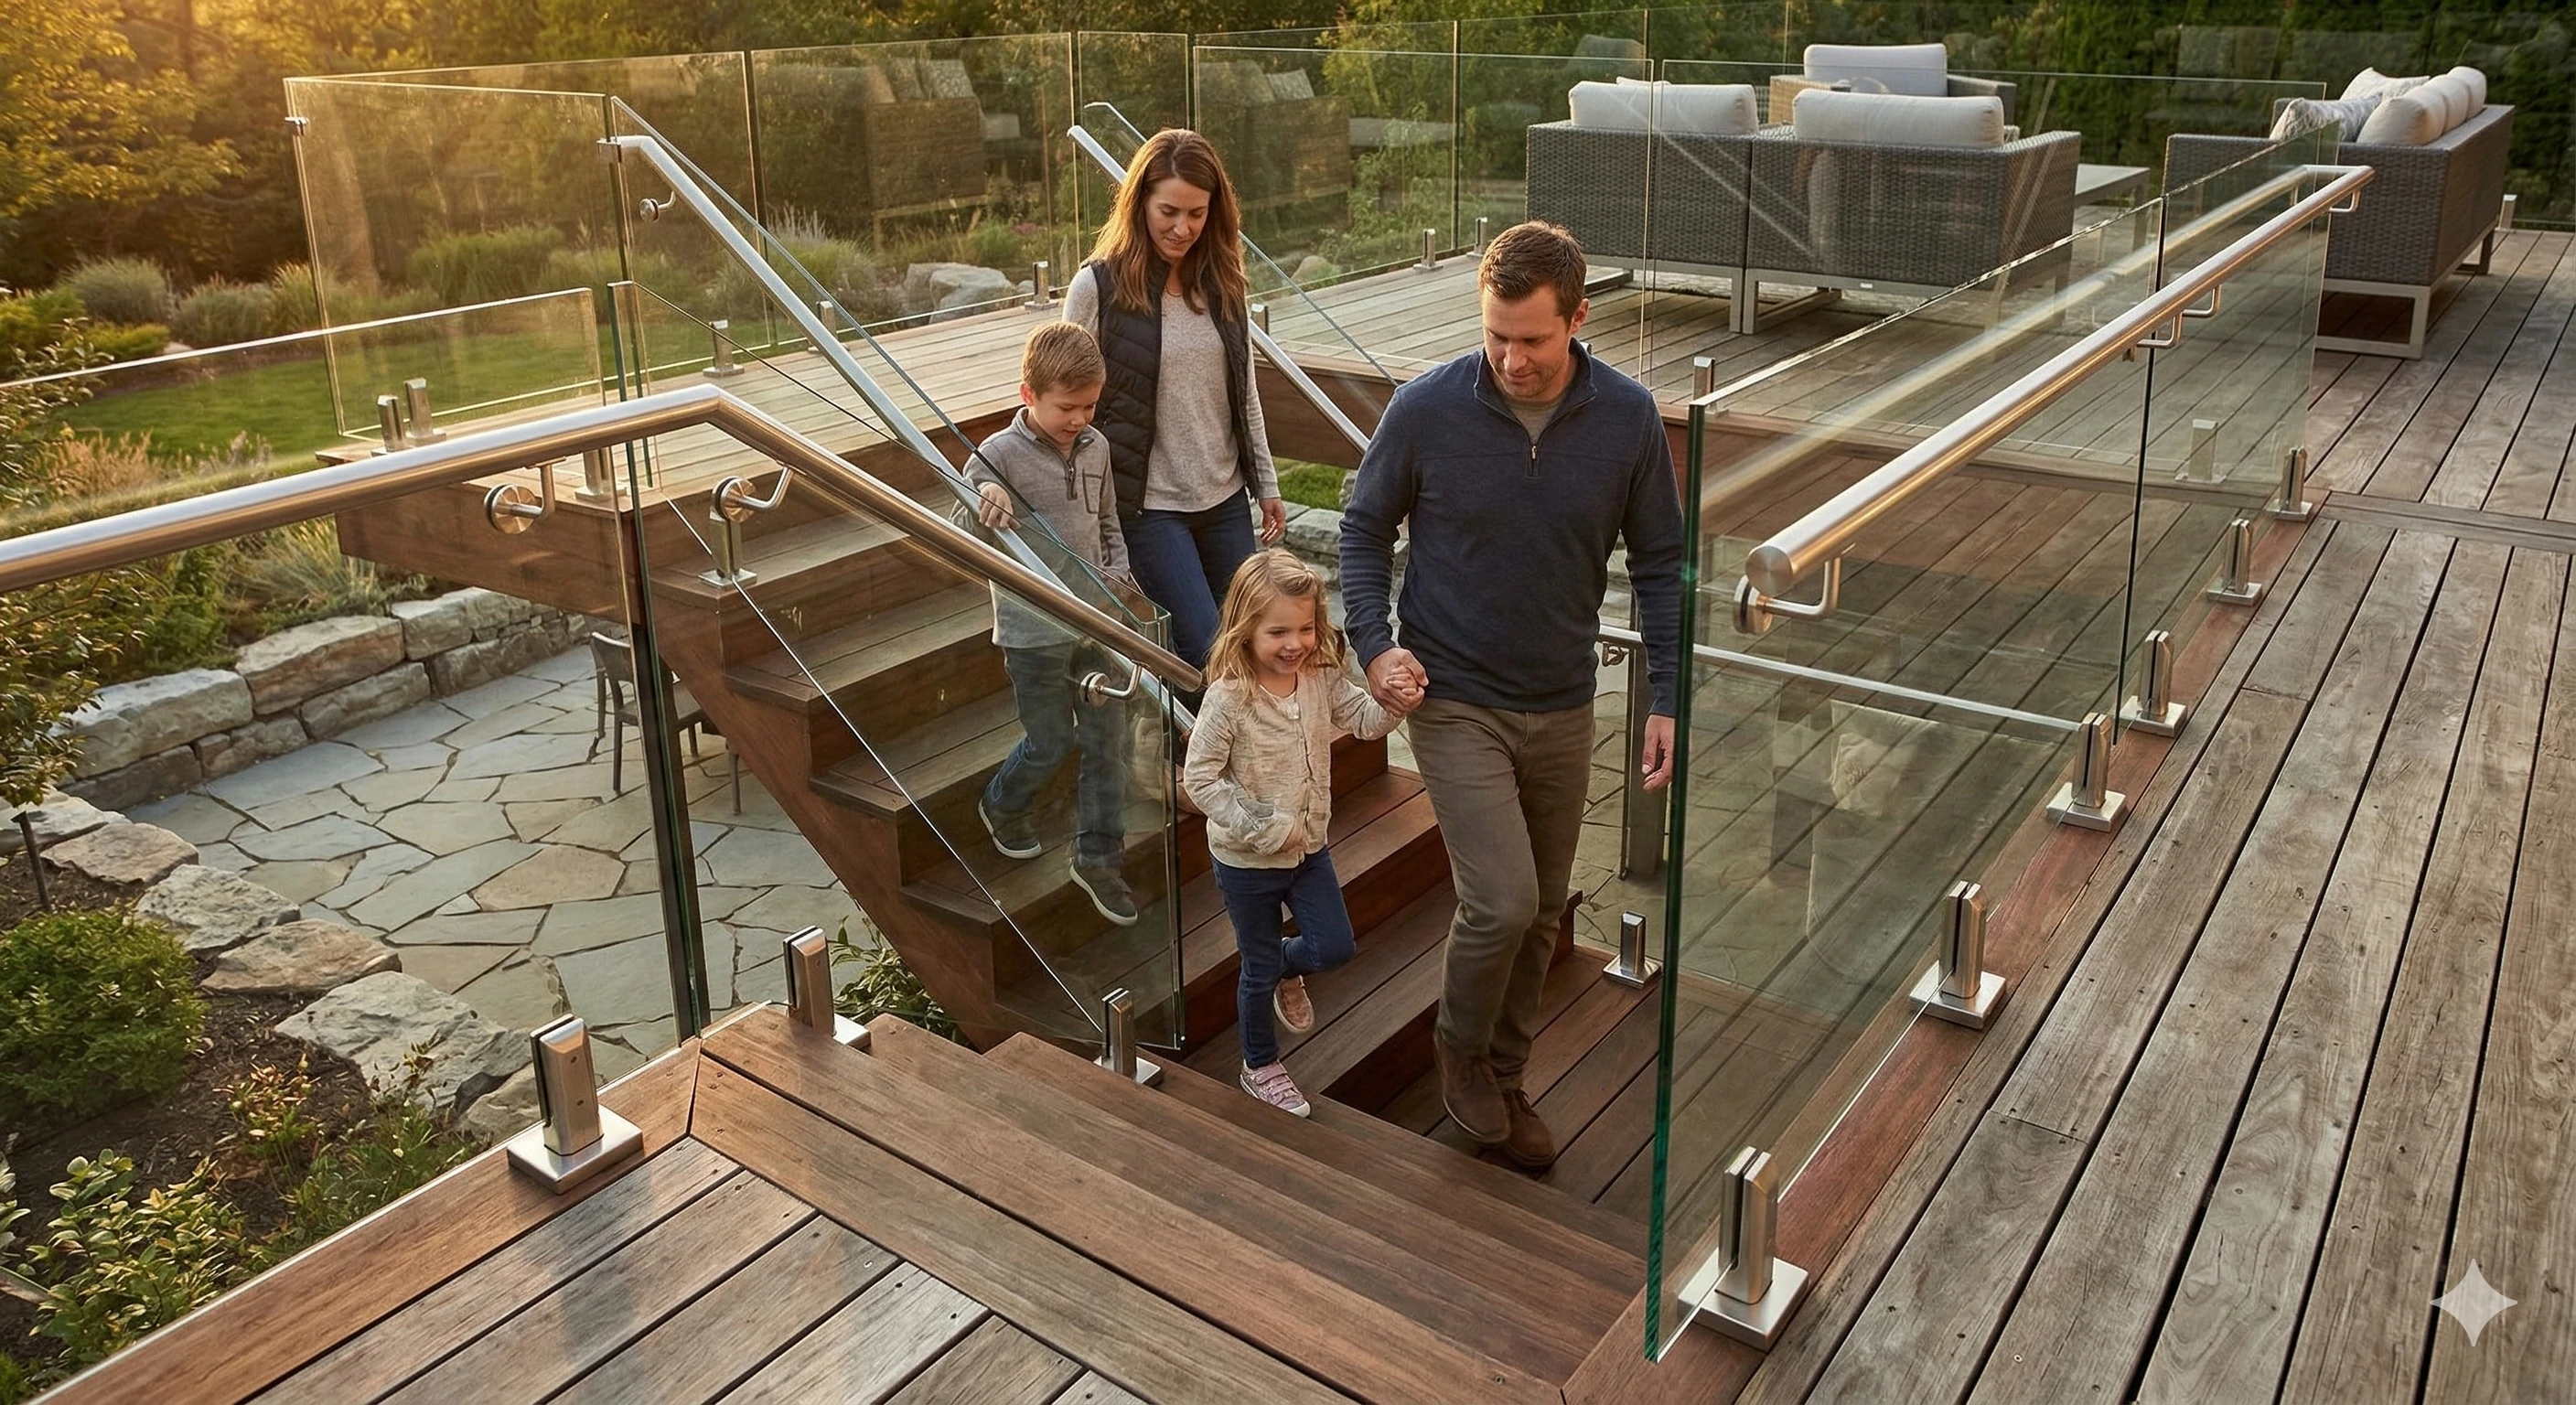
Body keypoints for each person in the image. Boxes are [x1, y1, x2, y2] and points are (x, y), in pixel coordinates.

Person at [1340, 220, 1683, 1171]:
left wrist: (1667, 698)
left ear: (1577, 318)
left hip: (1562, 699)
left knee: (1541, 911)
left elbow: (1660, 562)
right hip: (1452, 696)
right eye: (1495, 334)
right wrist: (1373, 645)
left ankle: (1505, 1067)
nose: (1509, 357)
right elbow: (1362, 532)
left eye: (1531, 338)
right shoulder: (1425, 409)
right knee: (1499, 900)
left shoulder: (1626, 419)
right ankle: (1455, 1049)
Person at [1184, 549, 1419, 1116]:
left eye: (1306, 628)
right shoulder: (1230, 698)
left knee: (1333, 946)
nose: (1295, 643)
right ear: (1246, 631)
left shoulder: (1317, 677)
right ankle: (1259, 1064)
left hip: (1310, 849)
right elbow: (1199, 781)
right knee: (1255, 965)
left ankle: (1287, 968)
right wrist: (1261, 827)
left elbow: (1363, 720)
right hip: (1246, 861)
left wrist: (1395, 705)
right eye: (1278, 632)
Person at [1063, 128, 1287, 673]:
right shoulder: (1097, 289)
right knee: (1208, 652)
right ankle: (1192, 752)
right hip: (1149, 507)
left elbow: (1245, 394)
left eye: (1197, 213)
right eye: (1168, 211)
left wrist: (1267, 485)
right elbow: (1059, 397)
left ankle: (1231, 758)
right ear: (1139, 201)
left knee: (1254, 647)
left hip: (1225, 500)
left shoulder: (1225, 283)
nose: (1182, 227)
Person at [965, 321, 1139, 928]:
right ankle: (1003, 803)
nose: (1080, 419)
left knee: (1106, 742)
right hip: (1032, 633)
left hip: (1096, 625)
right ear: (1028, 395)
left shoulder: (1096, 448)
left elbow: (1109, 524)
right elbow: (963, 524)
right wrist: (988, 494)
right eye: (1067, 407)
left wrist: (1118, 578)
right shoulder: (998, 455)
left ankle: (1098, 858)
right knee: (1051, 740)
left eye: (1090, 406)